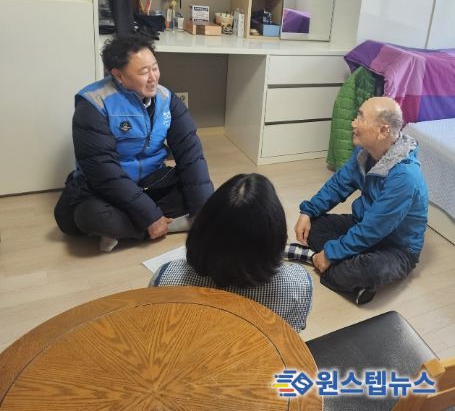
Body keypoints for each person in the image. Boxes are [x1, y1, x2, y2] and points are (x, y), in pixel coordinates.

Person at [54, 35, 214, 251]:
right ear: (118, 75)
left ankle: (124, 231)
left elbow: (191, 155)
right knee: (89, 216)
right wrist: (150, 215)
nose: (153, 78)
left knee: (201, 191)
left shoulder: (167, 99)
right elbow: (103, 171)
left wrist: (204, 215)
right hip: (107, 189)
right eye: (143, 72)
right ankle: (162, 225)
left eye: (155, 68)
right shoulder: (94, 104)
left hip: (152, 181)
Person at [288, 97, 428, 305]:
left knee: (368, 270)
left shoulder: (405, 176)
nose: (353, 123)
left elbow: (374, 228)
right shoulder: (365, 152)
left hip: (396, 247)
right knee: (313, 226)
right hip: (362, 223)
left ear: (383, 131)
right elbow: (338, 185)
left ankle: (319, 260)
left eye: (361, 118)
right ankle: (343, 269)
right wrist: (308, 211)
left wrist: (331, 253)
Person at [150, 173, 313, 332]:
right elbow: (290, 339)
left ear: (201, 228)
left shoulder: (165, 279)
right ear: (277, 236)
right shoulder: (298, 286)